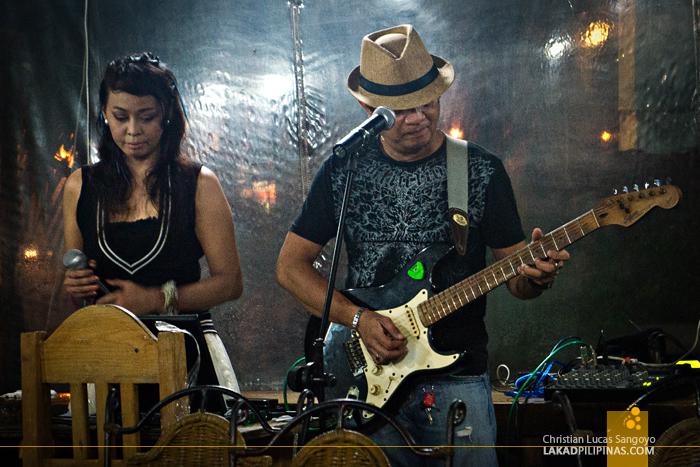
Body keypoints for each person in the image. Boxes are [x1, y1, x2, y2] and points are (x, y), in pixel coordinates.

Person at [276, 25, 570, 466]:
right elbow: (290, 268)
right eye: (400, 109)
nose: (417, 117)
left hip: (458, 384)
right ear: (367, 106)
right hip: (365, 382)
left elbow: (517, 281)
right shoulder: (344, 170)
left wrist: (536, 278)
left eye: (427, 102)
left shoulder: (480, 170)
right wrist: (357, 319)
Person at [62, 52, 243, 399]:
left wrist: (157, 299)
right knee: (110, 452)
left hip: (187, 355)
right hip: (108, 358)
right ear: (103, 115)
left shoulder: (198, 184)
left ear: (167, 116)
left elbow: (230, 283)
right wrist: (77, 283)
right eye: (120, 117)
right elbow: (81, 295)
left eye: (146, 117)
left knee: (190, 453)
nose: (133, 130)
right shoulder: (78, 187)